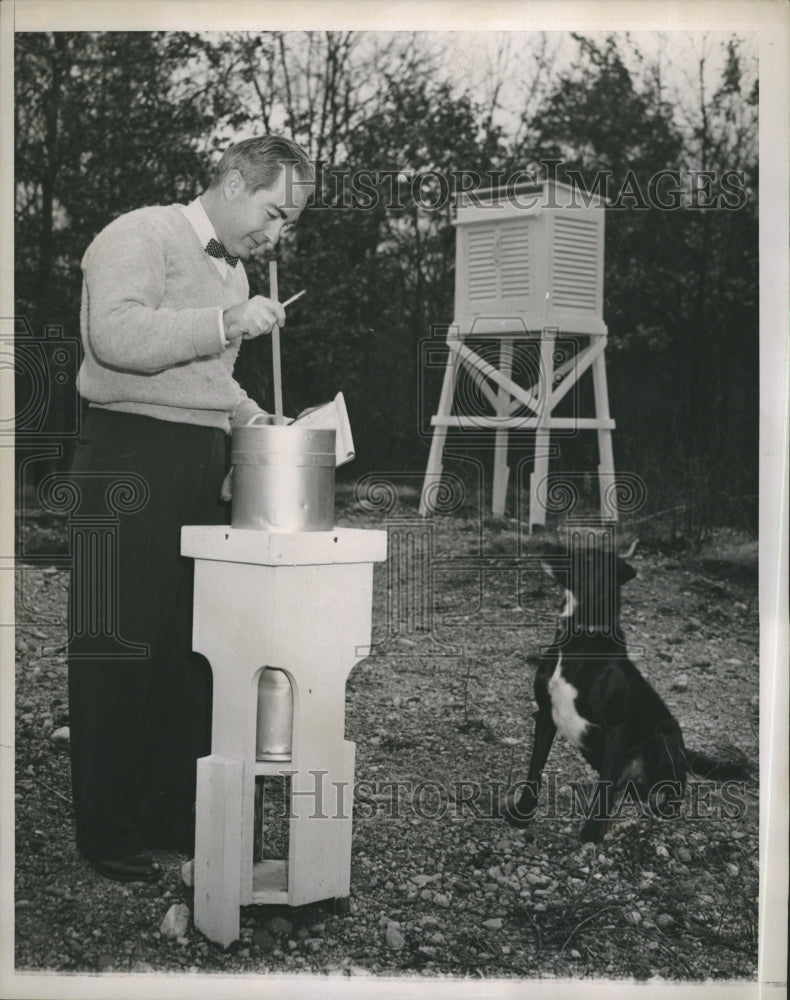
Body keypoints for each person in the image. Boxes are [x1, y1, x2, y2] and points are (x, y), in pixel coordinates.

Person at [67, 135, 313, 882]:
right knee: (118, 649)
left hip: (199, 463)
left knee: (186, 652)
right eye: (274, 214)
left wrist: (257, 421)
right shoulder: (140, 234)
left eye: (288, 226)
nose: (276, 237)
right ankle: (107, 836)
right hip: (126, 459)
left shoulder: (232, 274)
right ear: (235, 182)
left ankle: (167, 815)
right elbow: (114, 337)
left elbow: (207, 381)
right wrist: (225, 325)